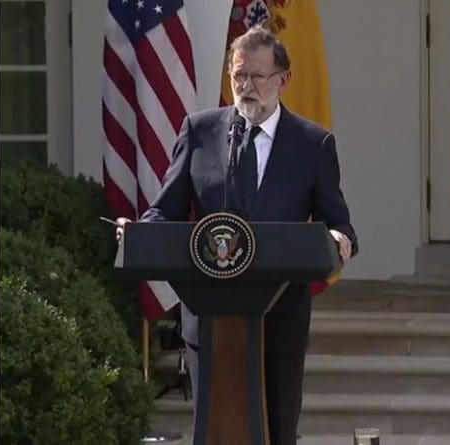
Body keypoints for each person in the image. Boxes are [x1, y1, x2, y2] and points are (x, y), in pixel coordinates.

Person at [115, 25, 357, 445]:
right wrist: (141, 233)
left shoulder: (313, 144)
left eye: (257, 77)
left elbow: (339, 223)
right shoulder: (200, 132)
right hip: (210, 315)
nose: (246, 87)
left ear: (283, 80)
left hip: (279, 315)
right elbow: (165, 209)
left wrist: (338, 239)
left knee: (278, 429)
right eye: (238, 76)